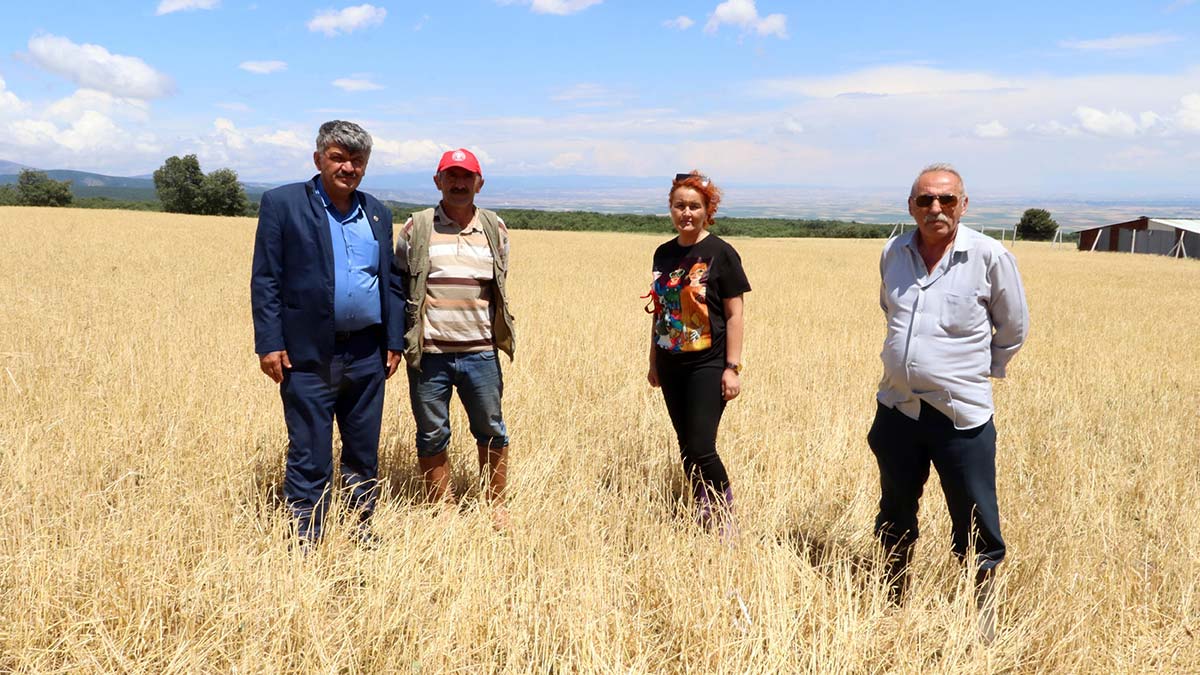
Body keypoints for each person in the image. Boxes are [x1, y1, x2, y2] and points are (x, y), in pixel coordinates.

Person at [870, 163, 1029, 640]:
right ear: (911, 206)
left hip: (961, 416)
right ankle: (892, 599)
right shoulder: (893, 252)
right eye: (924, 200)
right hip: (897, 408)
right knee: (895, 509)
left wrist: (979, 373)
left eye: (946, 200)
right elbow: (890, 310)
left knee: (976, 517)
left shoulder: (988, 255)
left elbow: (1013, 327)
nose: (935, 209)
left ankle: (980, 620)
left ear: (963, 204)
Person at [251, 120, 405, 543]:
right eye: (338, 157)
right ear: (318, 158)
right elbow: (266, 279)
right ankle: (306, 536)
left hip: (366, 353)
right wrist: (269, 343)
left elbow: (390, 281)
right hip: (306, 354)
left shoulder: (377, 211)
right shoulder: (283, 204)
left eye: (357, 160)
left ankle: (360, 531)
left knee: (362, 451)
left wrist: (394, 342)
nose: (348, 167)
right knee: (310, 452)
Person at [397, 148, 514, 526]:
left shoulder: (495, 229)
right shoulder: (417, 227)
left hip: (480, 351)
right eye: (452, 176)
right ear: (438, 181)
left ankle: (495, 505)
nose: (459, 184)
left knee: (492, 429)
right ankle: (441, 507)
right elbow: (402, 283)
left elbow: (497, 284)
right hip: (429, 352)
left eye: (467, 177)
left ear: (479, 183)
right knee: (432, 433)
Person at [645, 171, 750, 536]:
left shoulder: (721, 252)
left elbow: (735, 314)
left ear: (708, 210)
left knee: (702, 445)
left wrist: (732, 368)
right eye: (679, 206)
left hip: (708, 362)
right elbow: (662, 309)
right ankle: (702, 512)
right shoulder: (664, 252)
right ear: (670, 209)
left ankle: (725, 519)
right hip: (671, 361)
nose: (686, 213)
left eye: (694, 206)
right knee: (686, 446)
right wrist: (653, 360)